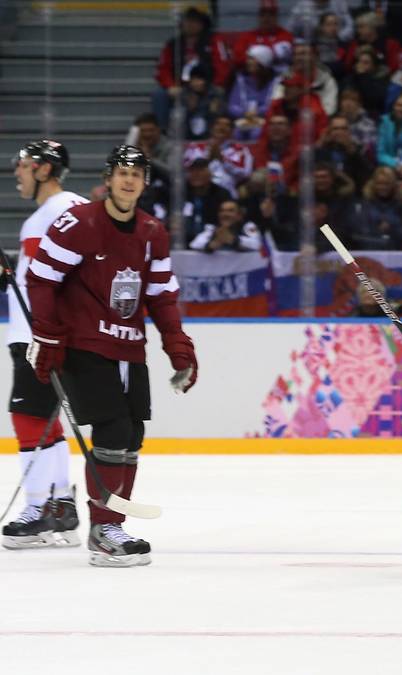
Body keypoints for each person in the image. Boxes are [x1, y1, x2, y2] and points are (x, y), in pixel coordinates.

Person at [25, 145, 198, 567]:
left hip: (129, 347)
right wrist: (47, 335)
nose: (128, 180)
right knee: (113, 432)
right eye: (122, 172)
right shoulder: (78, 223)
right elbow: (41, 278)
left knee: (131, 438)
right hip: (85, 345)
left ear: (144, 183)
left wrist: (178, 347)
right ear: (108, 177)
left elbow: (161, 295)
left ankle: (113, 524)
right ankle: (103, 530)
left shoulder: (152, 231)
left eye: (136, 175)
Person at [2, 141, 87, 550]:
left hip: (38, 335)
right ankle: (61, 507)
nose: (16, 172)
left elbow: (57, 282)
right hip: (42, 333)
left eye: (22, 165)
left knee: (27, 418)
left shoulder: (51, 215)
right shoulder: (65, 210)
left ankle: (37, 508)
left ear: (43, 169)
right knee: (43, 420)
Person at [189, 199, 263, 252]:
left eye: (230, 211)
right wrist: (211, 245)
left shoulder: (247, 226)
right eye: (222, 211)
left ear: (239, 215)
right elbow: (194, 244)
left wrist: (234, 240)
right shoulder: (212, 229)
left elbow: (258, 245)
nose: (225, 214)